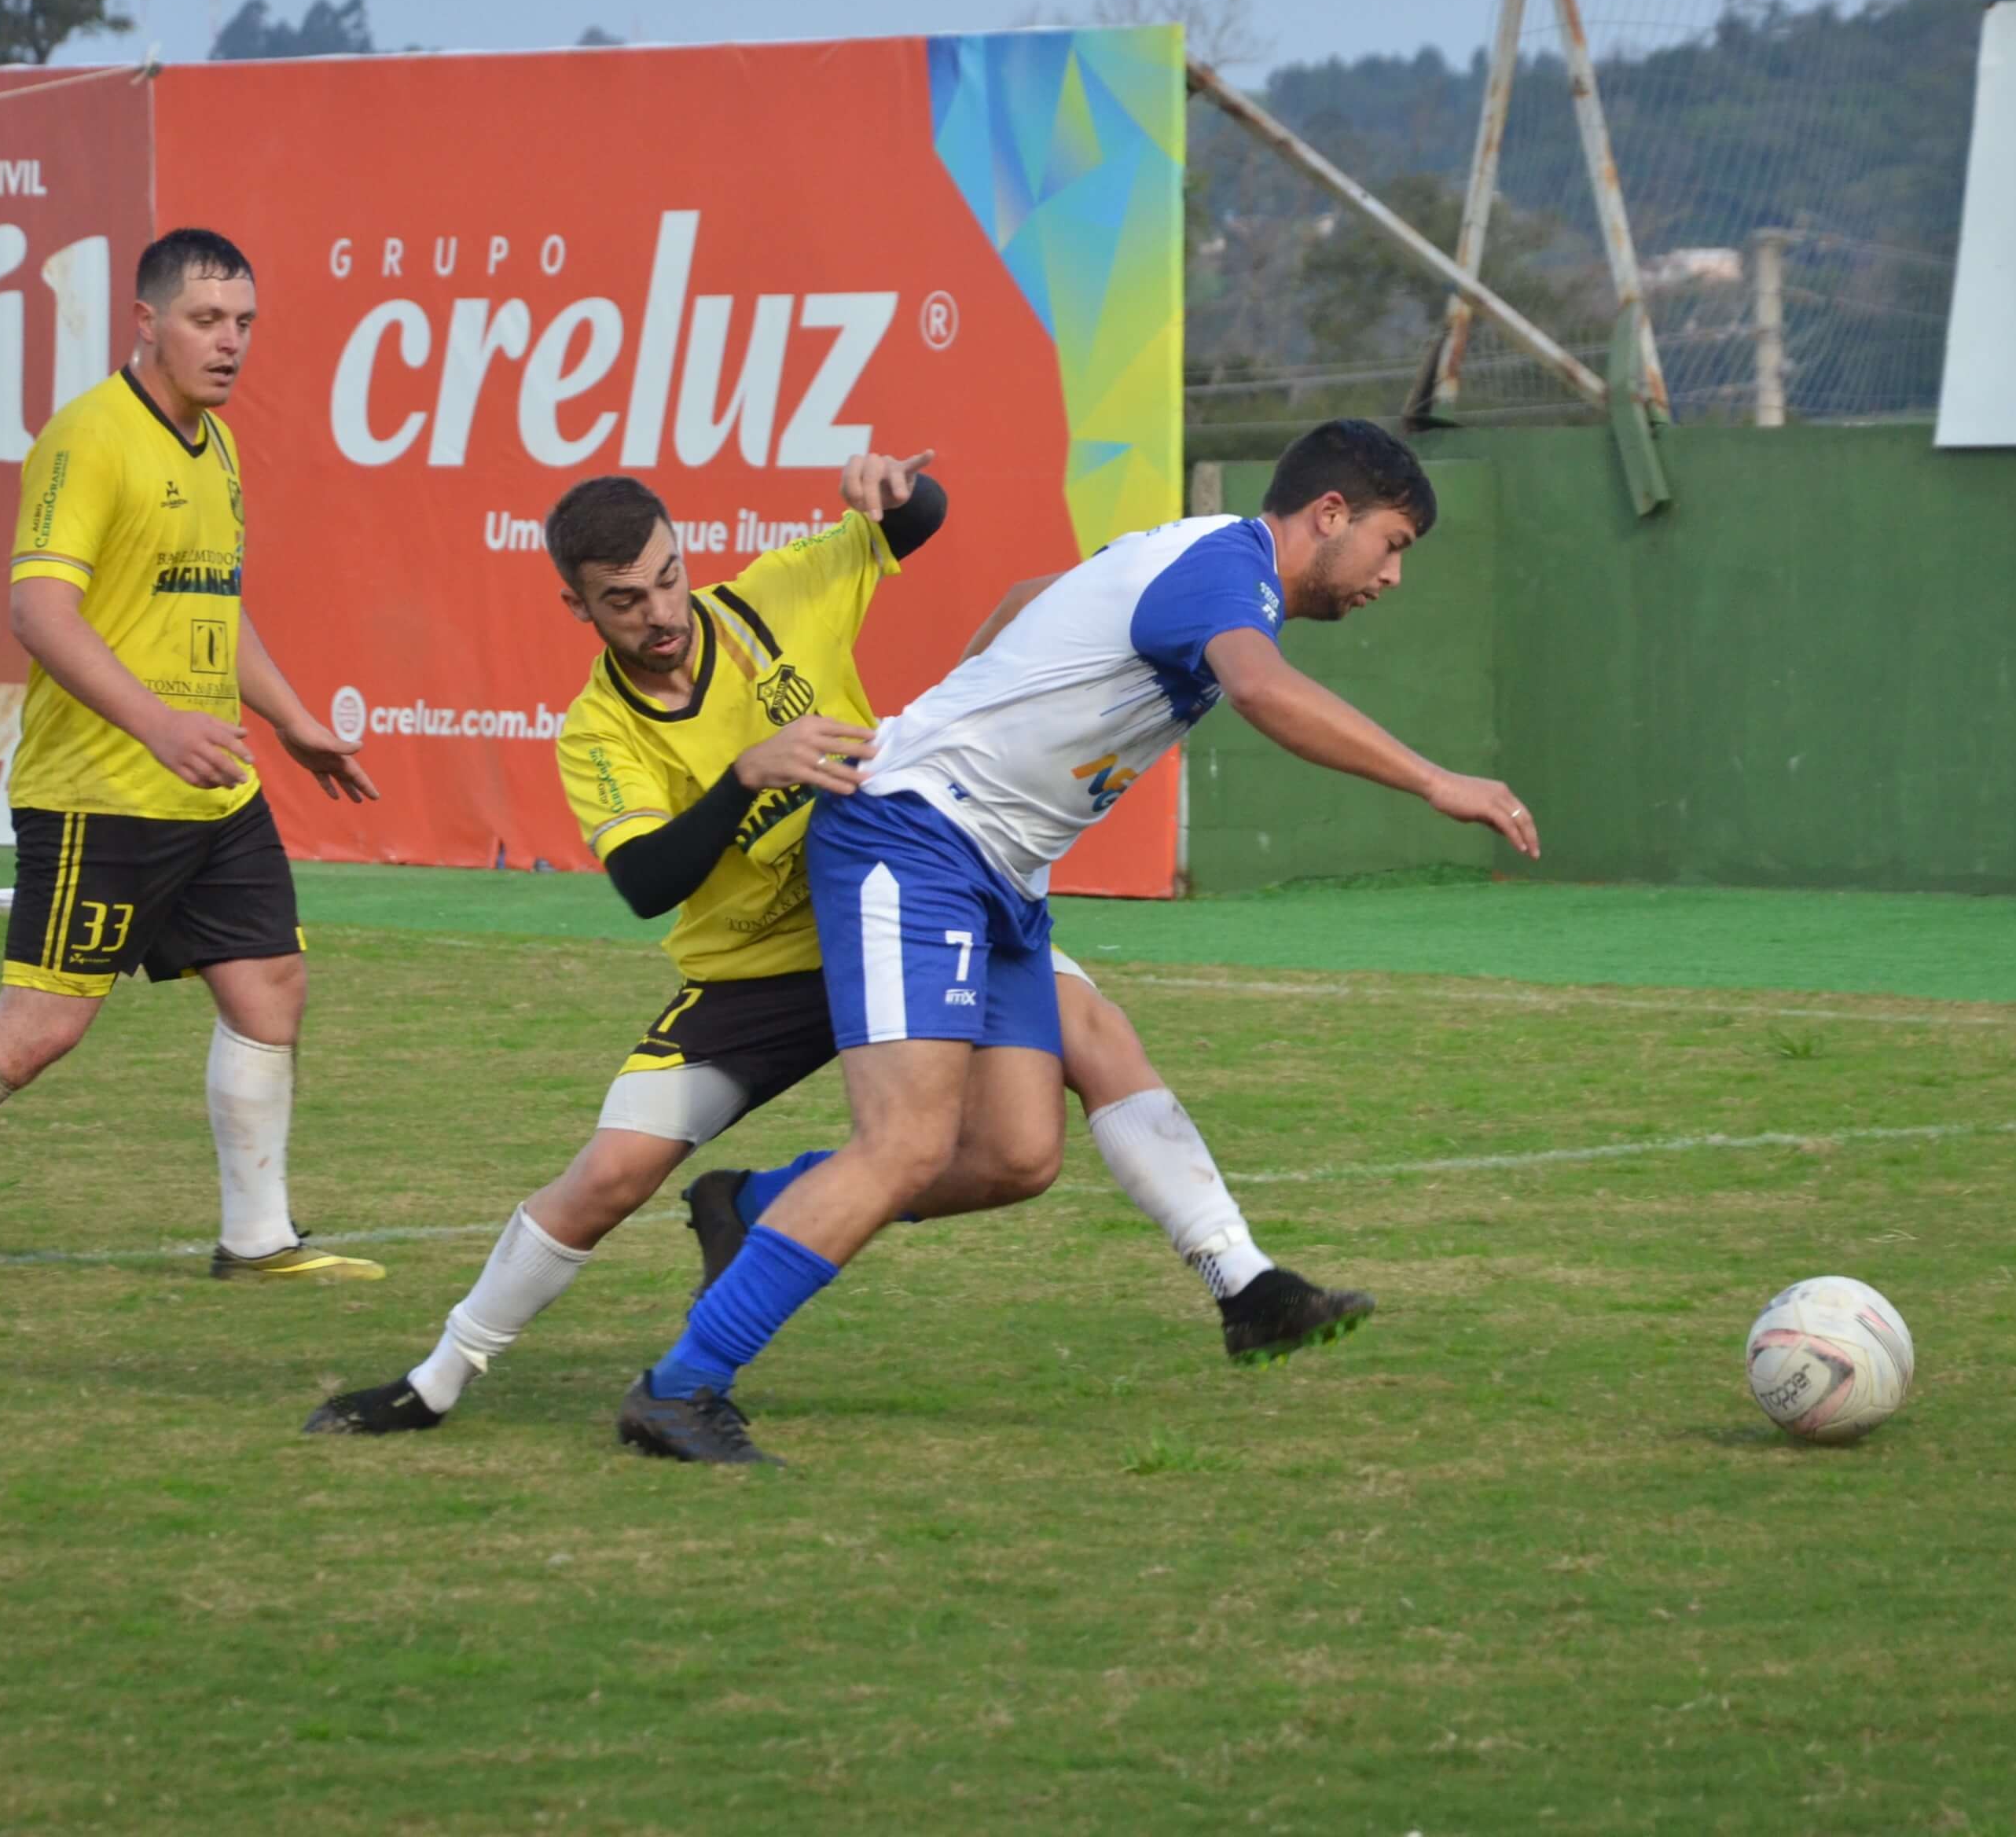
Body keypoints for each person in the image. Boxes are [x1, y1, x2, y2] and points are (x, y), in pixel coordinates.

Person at [304, 455, 1370, 1438]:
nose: (659, 614)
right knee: (612, 1174)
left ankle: (1243, 1283)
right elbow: (644, 882)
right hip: (763, 975)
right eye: (622, 601)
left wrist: (898, 485)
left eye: (668, 580)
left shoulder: (772, 597)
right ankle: (438, 1380)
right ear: (576, 606)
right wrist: (745, 774)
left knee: (1028, 1137)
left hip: (909, 895)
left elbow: (917, 519)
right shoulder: (598, 729)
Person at [617, 418, 1538, 1464]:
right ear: (1332, 515)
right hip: (915, 840)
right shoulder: (1230, 572)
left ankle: (753, 1206)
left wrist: (965, 697)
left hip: (995, 869)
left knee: (1015, 1153)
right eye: (1393, 543)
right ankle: (679, 1390)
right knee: (909, 1143)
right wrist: (1436, 780)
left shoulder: (1199, 555)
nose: (1393, 575)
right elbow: (1262, 688)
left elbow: (1030, 599)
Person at [0, 228, 384, 1306]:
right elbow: (38, 610)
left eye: (245, 322)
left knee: (270, 989)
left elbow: (212, 603)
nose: (231, 343)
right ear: (146, 320)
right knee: (39, 1031)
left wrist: (292, 721)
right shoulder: (90, 438)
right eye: (208, 320)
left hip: (212, 786)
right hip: (99, 796)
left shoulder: (216, 444)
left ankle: (255, 1238)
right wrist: (159, 725)